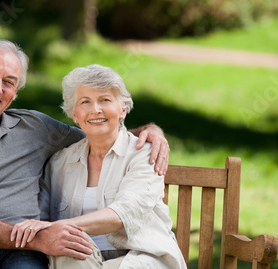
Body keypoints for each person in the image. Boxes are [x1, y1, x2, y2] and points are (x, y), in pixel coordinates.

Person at [0, 39, 170, 269]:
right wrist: (39, 237)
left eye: (9, 82)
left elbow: (98, 132)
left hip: (25, 253)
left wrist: (149, 130)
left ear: (16, 90)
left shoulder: (34, 127)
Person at [11, 64, 186, 269]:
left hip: (142, 257)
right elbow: (40, 217)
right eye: (85, 102)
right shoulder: (60, 163)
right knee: (66, 250)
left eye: (105, 100)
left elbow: (123, 213)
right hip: (83, 258)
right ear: (74, 114)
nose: (95, 110)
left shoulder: (144, 154)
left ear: (122, 109)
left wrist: (56, 226)